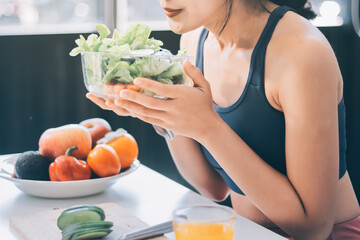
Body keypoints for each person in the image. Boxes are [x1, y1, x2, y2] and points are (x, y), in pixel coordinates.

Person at [87, 0, 360, 239]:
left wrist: (209, 128)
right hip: (247, 232)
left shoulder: (302, 54)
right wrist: (155, 111)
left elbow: (313, 229)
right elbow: (213, 187)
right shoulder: (195, 40)